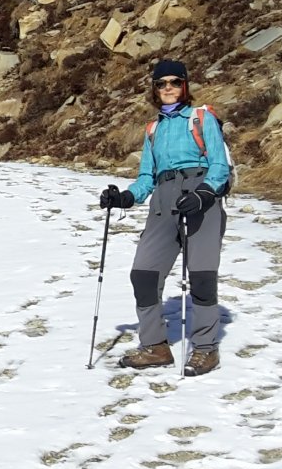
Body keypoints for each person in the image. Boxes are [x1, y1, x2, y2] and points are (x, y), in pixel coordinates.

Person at [97, 59, 231, 376]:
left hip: (201, 198)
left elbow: (219, 165)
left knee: (201, 277)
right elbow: (147, 176)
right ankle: (155, 346)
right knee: (143, 274)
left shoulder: (201, 119)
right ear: (154, 89)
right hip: (163, 200)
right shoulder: (153, 129)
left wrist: (205, 193)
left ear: (184, 86)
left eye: (174, 82)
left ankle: (205, 349)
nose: (168, 88)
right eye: (161, 83)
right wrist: (125, 197)